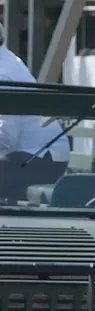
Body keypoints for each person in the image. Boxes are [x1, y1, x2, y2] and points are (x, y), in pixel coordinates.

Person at [0, 23, 71, 201]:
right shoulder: (6, 60)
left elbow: (6, 136)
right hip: (30, 154)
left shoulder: (4, 74)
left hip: (39, 158)